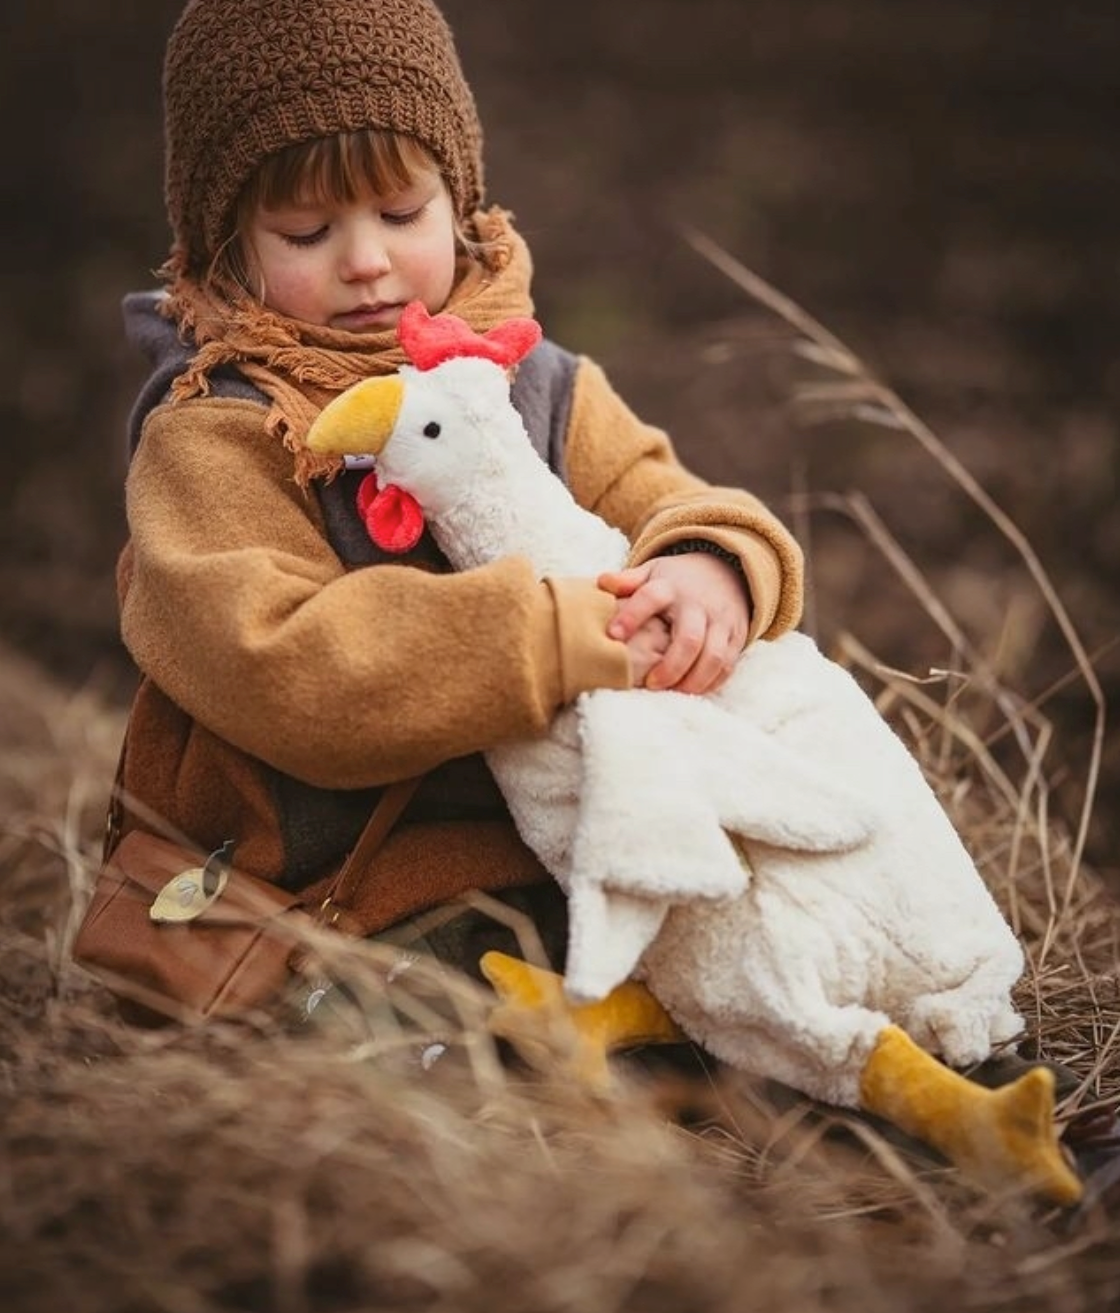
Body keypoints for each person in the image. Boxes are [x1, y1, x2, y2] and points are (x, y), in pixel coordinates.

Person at [114, 0, 804, 984]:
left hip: (573, 850)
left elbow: (663, 494)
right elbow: (291, 669)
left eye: (401, 214)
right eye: (306, 230)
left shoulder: (536, 382)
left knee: (784, 961)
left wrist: (712, 563)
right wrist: (551, 634)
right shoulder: (219, 437)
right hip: (338, 894)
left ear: (461, 200)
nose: (365, 260)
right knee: (484, 1048)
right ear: (227, 244)